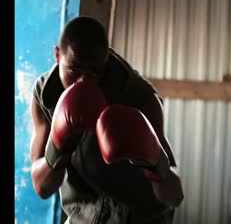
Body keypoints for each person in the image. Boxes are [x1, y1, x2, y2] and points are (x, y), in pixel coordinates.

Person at [29, 16, 184, 224]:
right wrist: (58, 149)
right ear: (57, 56)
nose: (83, 81)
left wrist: (155, 161)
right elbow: (41, 187)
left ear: (106, 61)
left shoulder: (139, 97)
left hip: (139, 218)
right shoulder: (45, 95)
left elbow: (174, 195)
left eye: (94, 72)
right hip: (84, 217)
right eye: (74, 69)